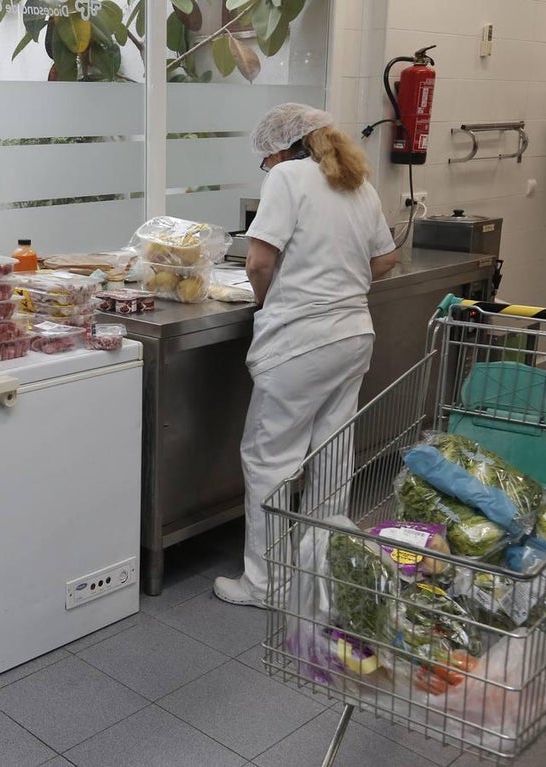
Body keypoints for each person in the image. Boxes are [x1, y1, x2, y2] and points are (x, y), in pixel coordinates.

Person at [213, 103, 397, 608]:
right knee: (332, 455)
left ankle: (265, 584)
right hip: (353, 334)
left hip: (300, 340)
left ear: (281, 148)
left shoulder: (288, 177)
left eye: (265, 158)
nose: (267, 166)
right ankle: (322, 575)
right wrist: (338, 278)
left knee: (269, 459)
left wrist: (272, 299)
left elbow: (258, 260)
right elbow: (384, 259)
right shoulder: (357, 181)